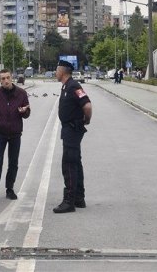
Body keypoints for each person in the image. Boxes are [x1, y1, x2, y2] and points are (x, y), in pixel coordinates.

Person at [0, 68, 30, 202]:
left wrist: (23, 112)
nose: (5, 81)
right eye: (3, 78)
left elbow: (27, 113)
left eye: (8, 78)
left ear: (12, 78)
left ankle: (10, 189)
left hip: (16, 133)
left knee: (13, 162)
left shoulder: (21, 93)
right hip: (1, 134)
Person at [53, 59, 92, 213]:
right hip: (69, 129)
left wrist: (86, 120)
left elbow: (87, 106)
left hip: (72, 129)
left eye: (57, 70)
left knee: (68, 164)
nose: (56, 73)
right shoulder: (66, 86)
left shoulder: (73, 86)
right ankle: (79, 198)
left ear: (62, 71)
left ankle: (69, 201)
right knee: (76, 162)